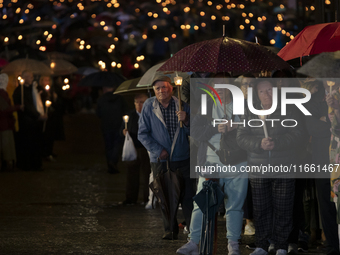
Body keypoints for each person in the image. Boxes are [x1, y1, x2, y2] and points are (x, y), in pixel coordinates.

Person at [177, 75, 248, 255]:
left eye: (225, 86)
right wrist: (216, 128)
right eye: (218, 86)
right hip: (210, 161)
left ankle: (233, 242)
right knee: (201, 203)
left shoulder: (243, 106)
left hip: (237, 161)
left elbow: (253, 128)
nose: (221, 90)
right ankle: (193, 241)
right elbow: (196, 131)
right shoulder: (205, 106)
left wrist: (236, 127)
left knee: (235, 204)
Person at [237, 79, 303, 255]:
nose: (267, 94)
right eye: (262, 91)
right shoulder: (250, 111)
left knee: (284, 208)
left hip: (284, 166)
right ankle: (262, 245)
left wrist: (278, 143)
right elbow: (241, 137)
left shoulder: (288, 108)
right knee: (261, 208)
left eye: (270, 90)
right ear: (256, 94)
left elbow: (298, 134)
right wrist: (259, 143)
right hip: (258, 168)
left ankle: (281, 245)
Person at [138, 76, 195, 240]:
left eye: (164, 87)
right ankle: (170, 229)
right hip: (161, 160)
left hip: (182, 158)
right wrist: (157, 150)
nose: (161, 91)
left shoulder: (182, 105)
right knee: (165, 195)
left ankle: (192, 229)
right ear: (153, 91)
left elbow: (195, 131)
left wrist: (187, 120)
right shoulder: (149, 106)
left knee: (187, 196)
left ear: (171, 88)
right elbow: (142, 133)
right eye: (158, 88)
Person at [304, 79, 340, 255]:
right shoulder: (312, 99)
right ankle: (333, 244)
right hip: (321, 158)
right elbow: (311, 127)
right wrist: (328, 118)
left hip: (338, 156)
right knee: (326, 202)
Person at [12, 70, 47, 171]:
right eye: (27, 77)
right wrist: (37, 116)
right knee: (26, 144)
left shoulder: (34, 89)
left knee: (35, 144)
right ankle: (26, 165)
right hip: (26, 122)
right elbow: (26, 107)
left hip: (34, 123)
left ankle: (35, 164)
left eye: (31, 77)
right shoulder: (19, 91)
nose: (30, 79)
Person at [119, 93, 150, 205]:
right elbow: (121, 129)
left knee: (148, 174)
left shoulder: (150, 114)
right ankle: (131, 198)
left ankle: (148, 198)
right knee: (131, 174)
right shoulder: (130, 115)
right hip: (134, 147)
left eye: (141, 102)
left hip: (147, 148)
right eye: (136, 102)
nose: (138, 105)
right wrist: (124, 132)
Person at [96, 86, 128, 174]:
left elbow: (98, 114)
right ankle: (113, 162)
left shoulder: (101, 99)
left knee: (108, 145)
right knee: (117, 145)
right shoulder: (120, 98)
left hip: (106, 126)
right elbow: (125, 110)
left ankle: (110, 163)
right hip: (118, 125)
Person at [0, 73, 23, 170]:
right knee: (5, 144)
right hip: (3, 123)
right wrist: (17, 107)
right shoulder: (2, 93)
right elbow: (4, 109)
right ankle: (6, 164)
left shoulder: (4, 92)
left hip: (6, 122)